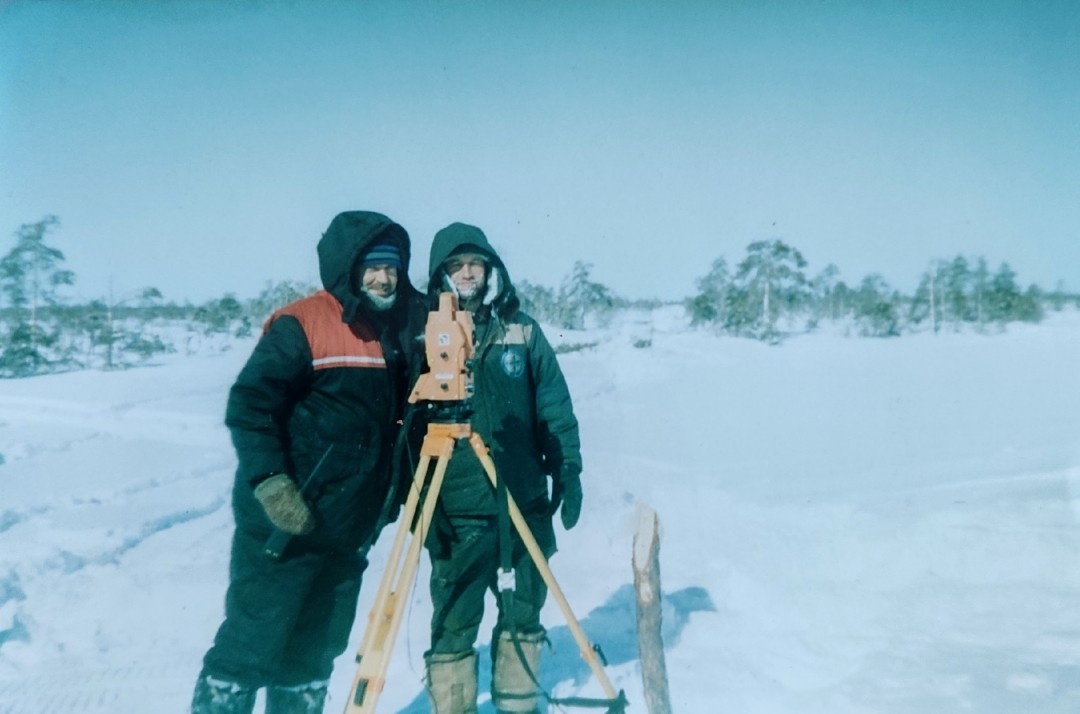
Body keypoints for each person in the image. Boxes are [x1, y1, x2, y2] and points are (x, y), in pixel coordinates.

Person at [191, 211, 425, 714]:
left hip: (348, 529)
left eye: (393, 267)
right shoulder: (304, 324)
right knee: (253, 642)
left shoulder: (400, 329)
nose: (385, 278)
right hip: (287, 525)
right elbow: (250, 405)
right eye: (372, 267)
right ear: (347, 268)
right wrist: (271, 482)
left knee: (315, 654)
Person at [420, 222, 583, 714]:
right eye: (455, 265)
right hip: (458, 510)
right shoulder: (425, 332)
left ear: (490, 269)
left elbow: (553, 402)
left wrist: (568, 467)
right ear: (441, 274)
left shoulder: (523, 329)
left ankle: (517, 706)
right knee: (453, 621)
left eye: (475, 263)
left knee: (522, 615)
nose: (466, 273)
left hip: (521, 501)